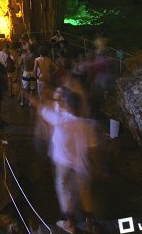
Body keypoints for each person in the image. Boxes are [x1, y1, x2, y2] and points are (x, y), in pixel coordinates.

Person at [30, 88, 98, 234]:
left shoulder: (60, 120)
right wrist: (95, 164)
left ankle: (70, 224)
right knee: (86, 194)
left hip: (63, 163)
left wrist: (28, 96)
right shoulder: (89, 124)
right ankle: (90, 225)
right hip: (82, 165)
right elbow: (92, 148)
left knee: (64, 191)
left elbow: (41, 109)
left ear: (68, 105)